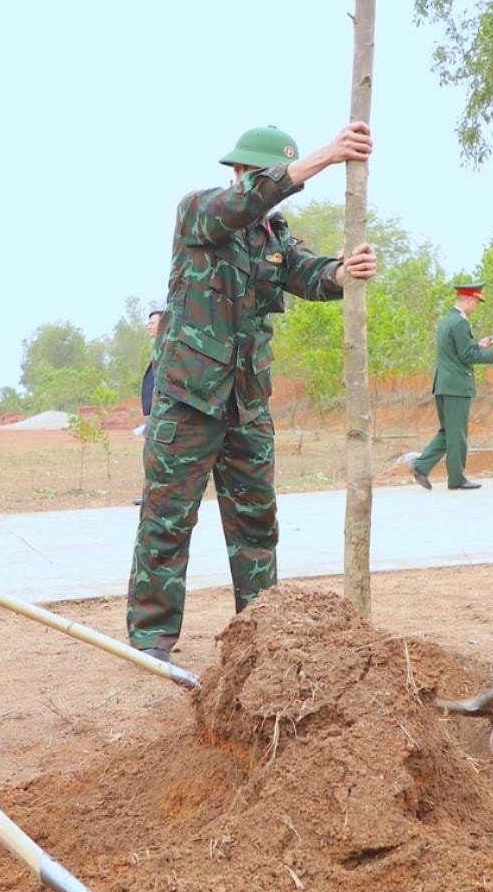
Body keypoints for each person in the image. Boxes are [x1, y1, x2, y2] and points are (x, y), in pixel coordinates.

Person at [126, 122, 377, 662]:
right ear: (241, 173)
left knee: (257, 524)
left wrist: (342, 271)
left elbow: (307, 274)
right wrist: (323, 159)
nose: (267, 191)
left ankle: (261, 633)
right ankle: (152, 639)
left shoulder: (274, 237)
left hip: (246, 404)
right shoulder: (199, 212)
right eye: (260, 178)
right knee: (167, 521)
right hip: (188, 400)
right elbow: (241, 205)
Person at [409, 283, 493, 490]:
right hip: (456, 385)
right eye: (477, 303)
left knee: (448, 431)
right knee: (457, 434)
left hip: (444, 384)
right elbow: (466, 356)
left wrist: (479, 346)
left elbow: (457, 350)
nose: (476, 307)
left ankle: (421, 466)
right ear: (470, 300)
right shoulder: (461, 323)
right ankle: (456, 478)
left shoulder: (447, 320)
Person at [134, 302, 165, 507]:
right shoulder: (158, 349)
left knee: (158, 457)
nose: (148, 326)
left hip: (164, 416)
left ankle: (156, 497)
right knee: (151, 456)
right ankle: (150, 496)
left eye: (152, 323)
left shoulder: (168, 349)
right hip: (155, 415)